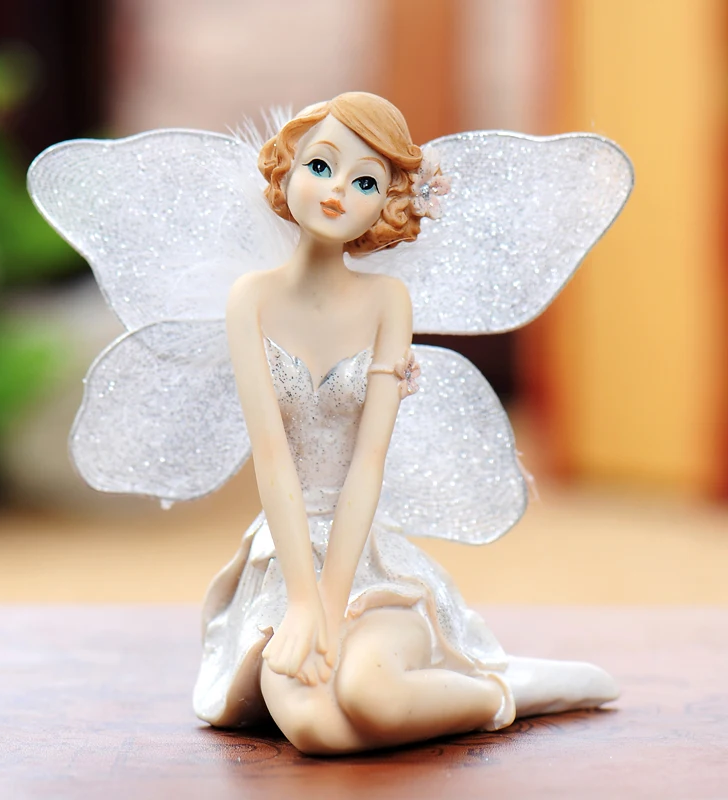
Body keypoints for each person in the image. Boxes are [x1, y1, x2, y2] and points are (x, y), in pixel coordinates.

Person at [192, 93, 618, 755]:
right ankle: (463, 690)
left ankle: (501, 694)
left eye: (365, 182)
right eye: (320, 166)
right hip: (286, 564)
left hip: (366, 562)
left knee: (372, 696)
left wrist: (333, 601)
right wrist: (303, 604)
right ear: (287, 167)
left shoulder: (387, 301)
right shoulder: (251, 299)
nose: (337, 192)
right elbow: (272, 460)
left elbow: (369, 462)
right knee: (315, 729)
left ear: (388, 203)